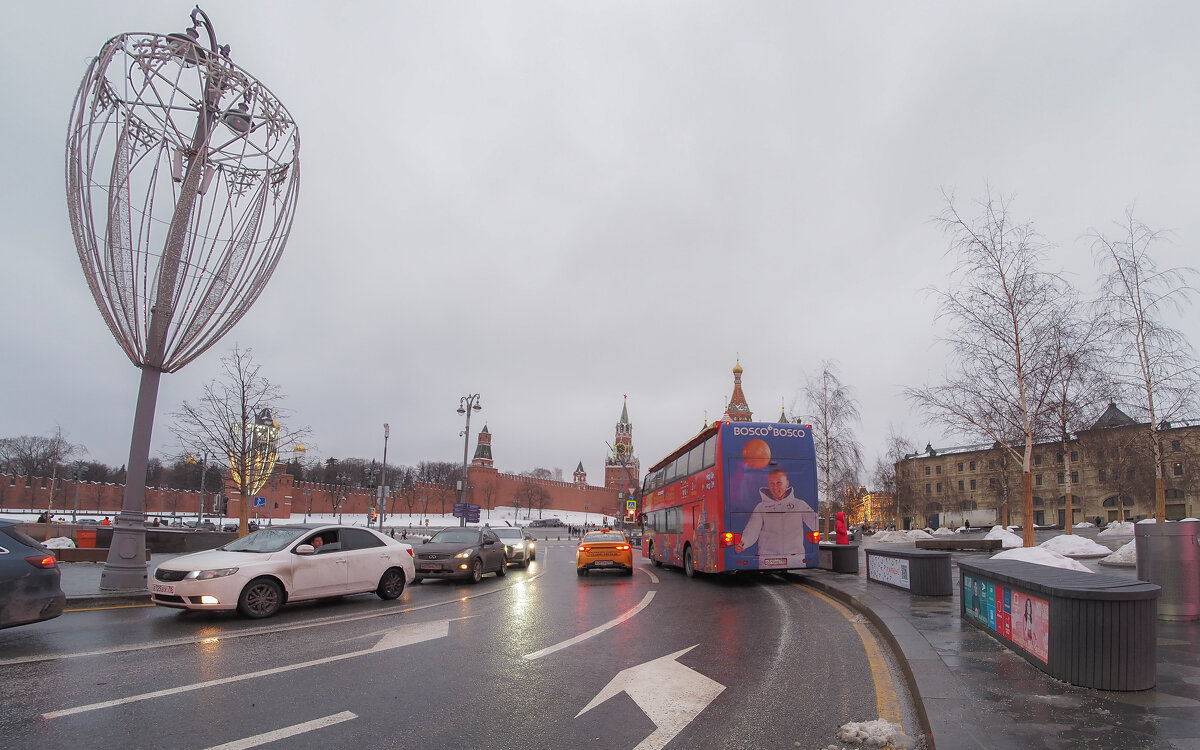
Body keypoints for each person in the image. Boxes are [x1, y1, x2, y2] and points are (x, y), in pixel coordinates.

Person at [735, 468, 818, 556]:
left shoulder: (799, 504)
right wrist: (743, 543)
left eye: (779, 483)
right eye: (772, 483)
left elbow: (814, 521)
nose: (775, 487)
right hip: (768, 560)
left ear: (787, 483)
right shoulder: (761, 507)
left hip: (794, 560)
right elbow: (752, 530)